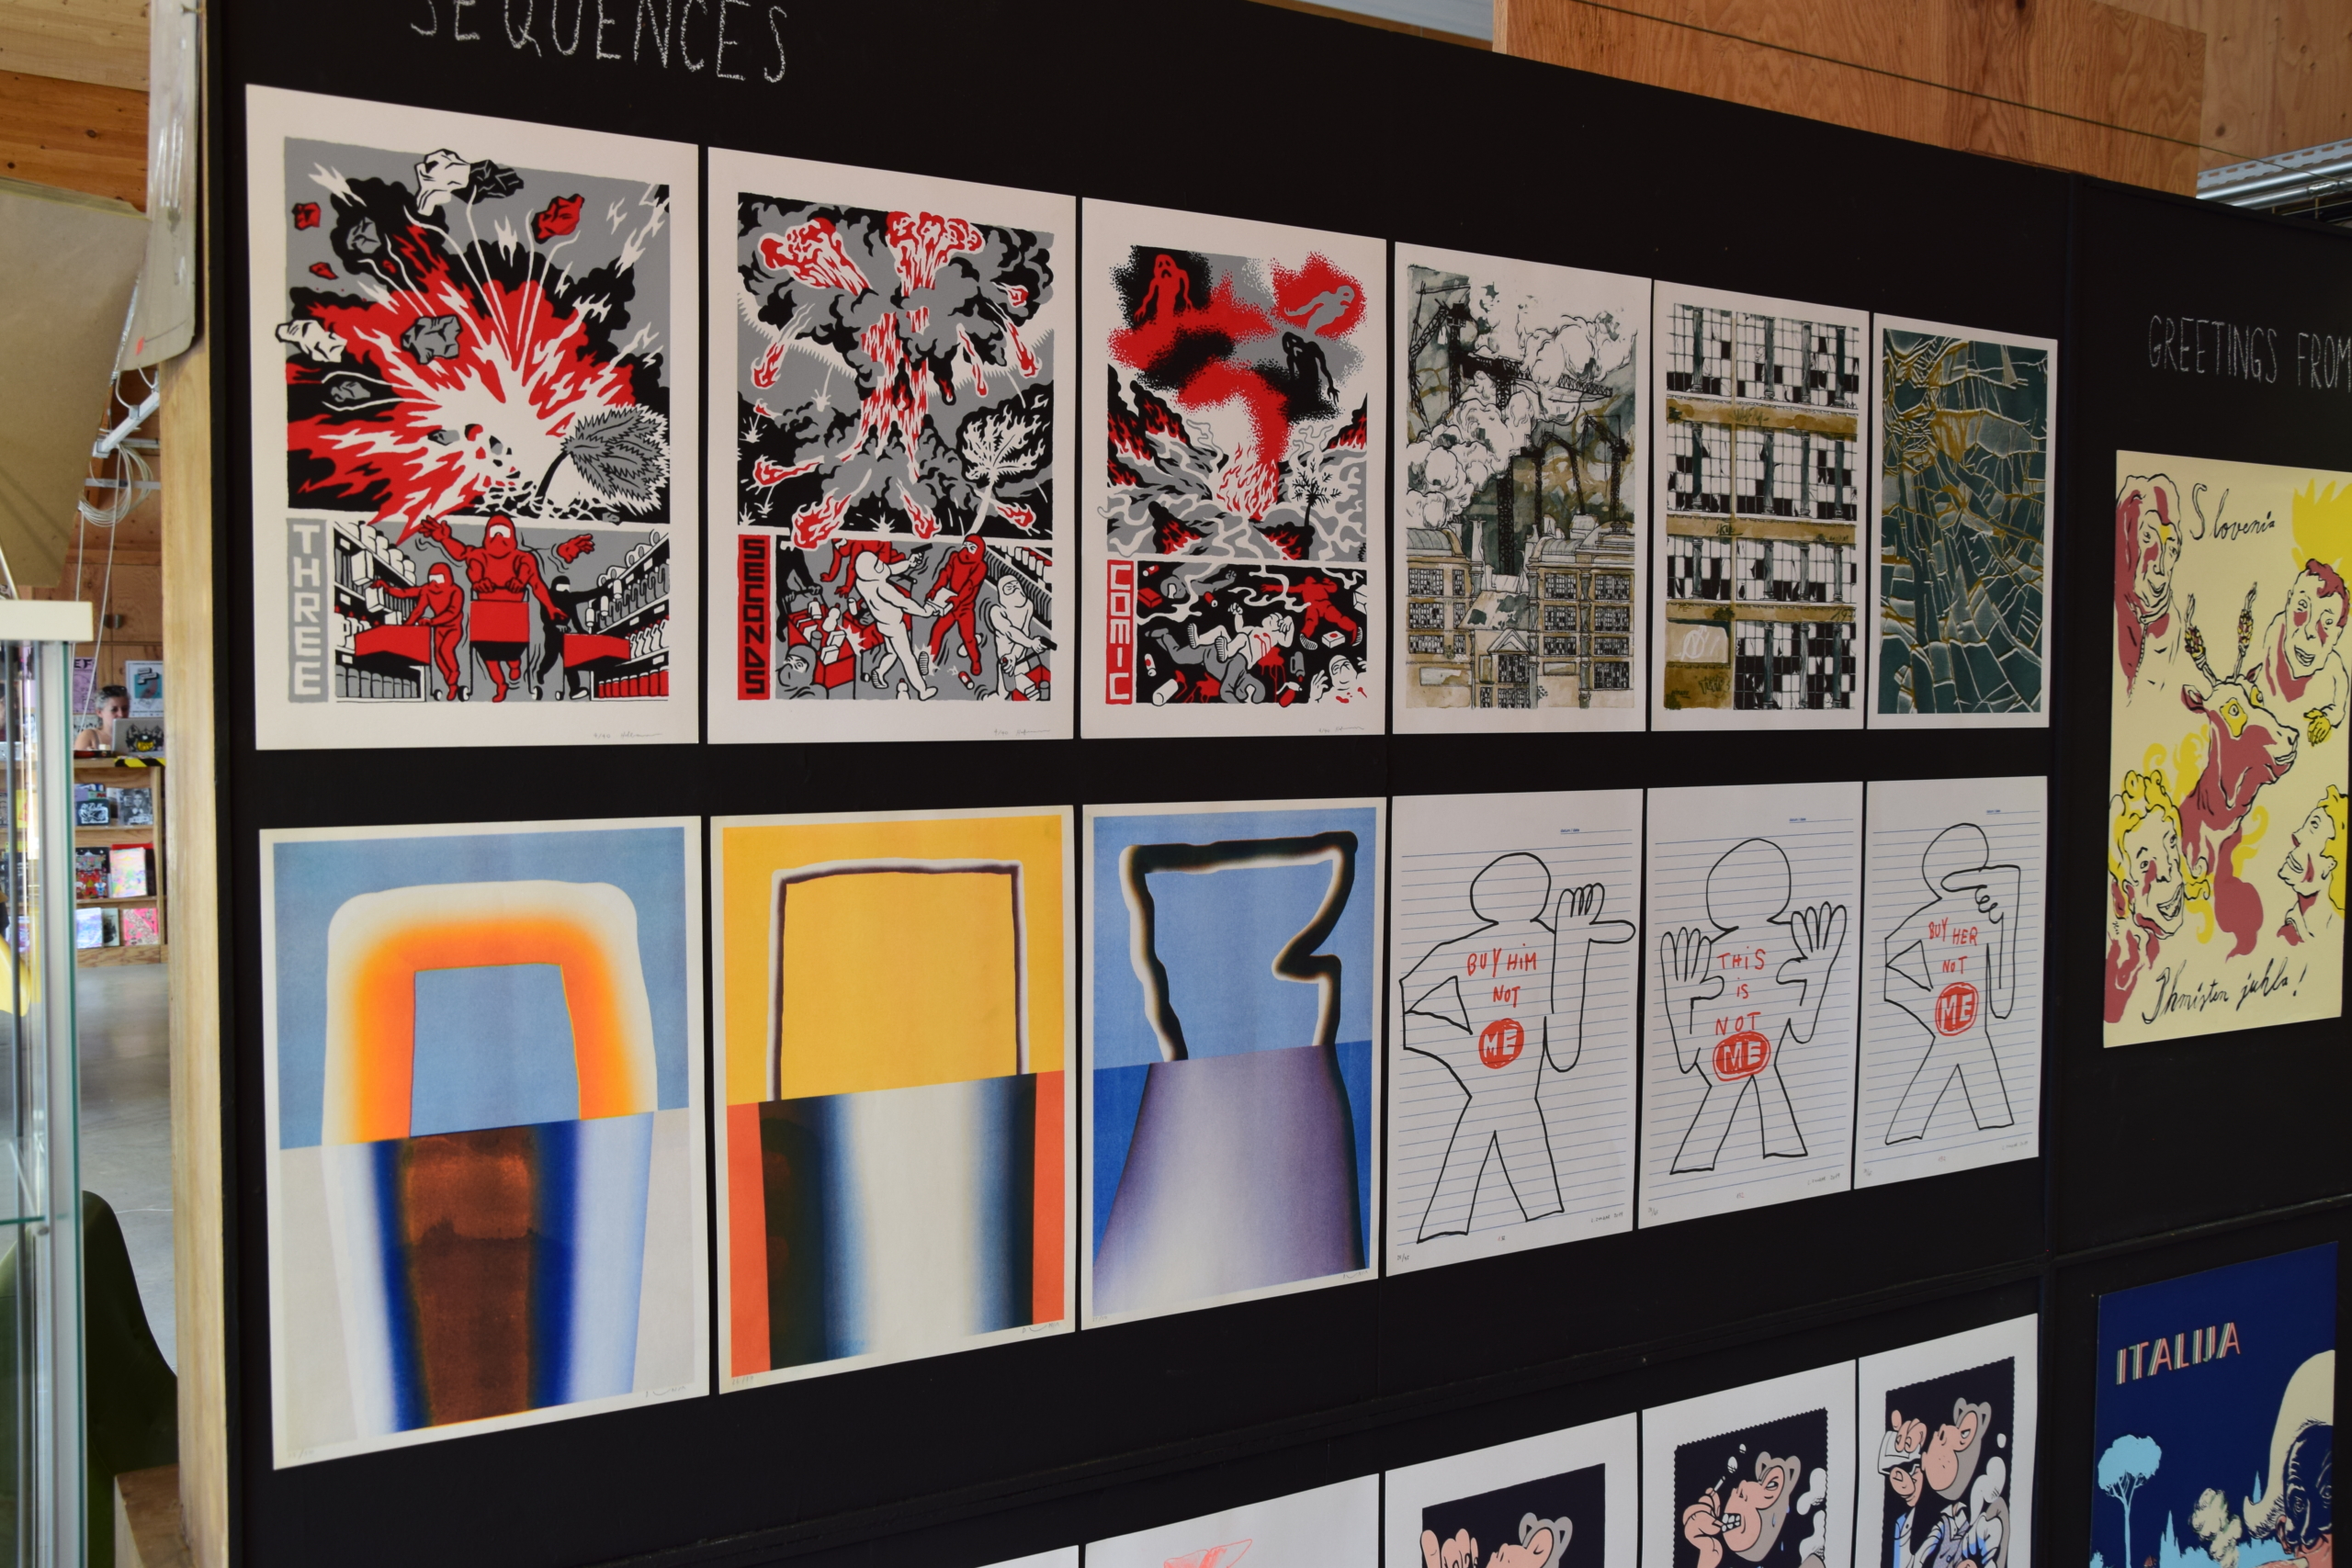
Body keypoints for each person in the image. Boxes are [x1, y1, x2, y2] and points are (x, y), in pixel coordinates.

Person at [418, 515, 565, 703]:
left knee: (512, 652)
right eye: (494, 532)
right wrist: (445, 539)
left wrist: (550, 607)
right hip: (485, 617)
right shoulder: (479, 556)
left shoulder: (523, 559)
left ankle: (515, 666)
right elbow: (461, 553)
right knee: (489, 655)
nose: (498, 538)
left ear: (512, 536)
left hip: (513, 618)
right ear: (487, 535)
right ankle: (501, 685)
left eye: (503, 533)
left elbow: (536, 584)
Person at [373, 562, 467, 700]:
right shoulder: (427, 590)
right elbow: (409, 598)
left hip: (453, 628)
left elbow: (452, 612)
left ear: (447, 578)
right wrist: (387, 588)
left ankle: (454, 673)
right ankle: (452, 684)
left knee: (445, 649)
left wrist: (431, 621)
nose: (434, 583)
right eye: (431, 579)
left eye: (439, 579)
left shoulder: (456, 591)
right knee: (438, 656)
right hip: (439, 629)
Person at [532, 572, 603, 701]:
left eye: (567, 588)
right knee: (551, 657)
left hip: (565, 635)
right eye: (562, 588)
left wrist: (605, 589)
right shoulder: (548, 597)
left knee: (570, 660)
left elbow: (586, 597)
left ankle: (575, 689)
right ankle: (541, 672)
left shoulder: (570, 598)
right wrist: (555, 625)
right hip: (552, 633)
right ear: (555, 587)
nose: (565, 591)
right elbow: (545, 616)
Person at [74, 685, 130, 752]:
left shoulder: (133, 734)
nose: (121, 714)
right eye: (114, 710)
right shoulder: (88, 736)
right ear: (99, 712)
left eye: (125, 709)